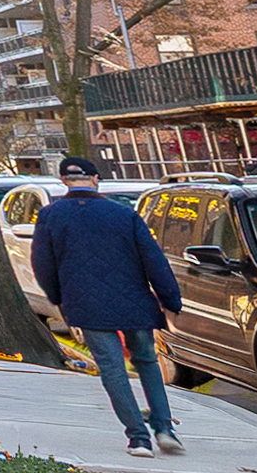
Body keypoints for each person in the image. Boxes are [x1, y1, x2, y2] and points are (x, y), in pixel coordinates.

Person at [30, 156, 185, 455]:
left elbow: (42, 264)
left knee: (112, 369)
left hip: (86, 304)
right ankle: (165, 428)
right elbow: (154, 259)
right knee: (147, 361)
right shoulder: (123, 214)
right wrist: (170, 298)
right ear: (95, 179)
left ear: (63, 180)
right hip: (135, 301)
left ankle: (138, 438)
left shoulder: (51, 215)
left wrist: (57, 297)